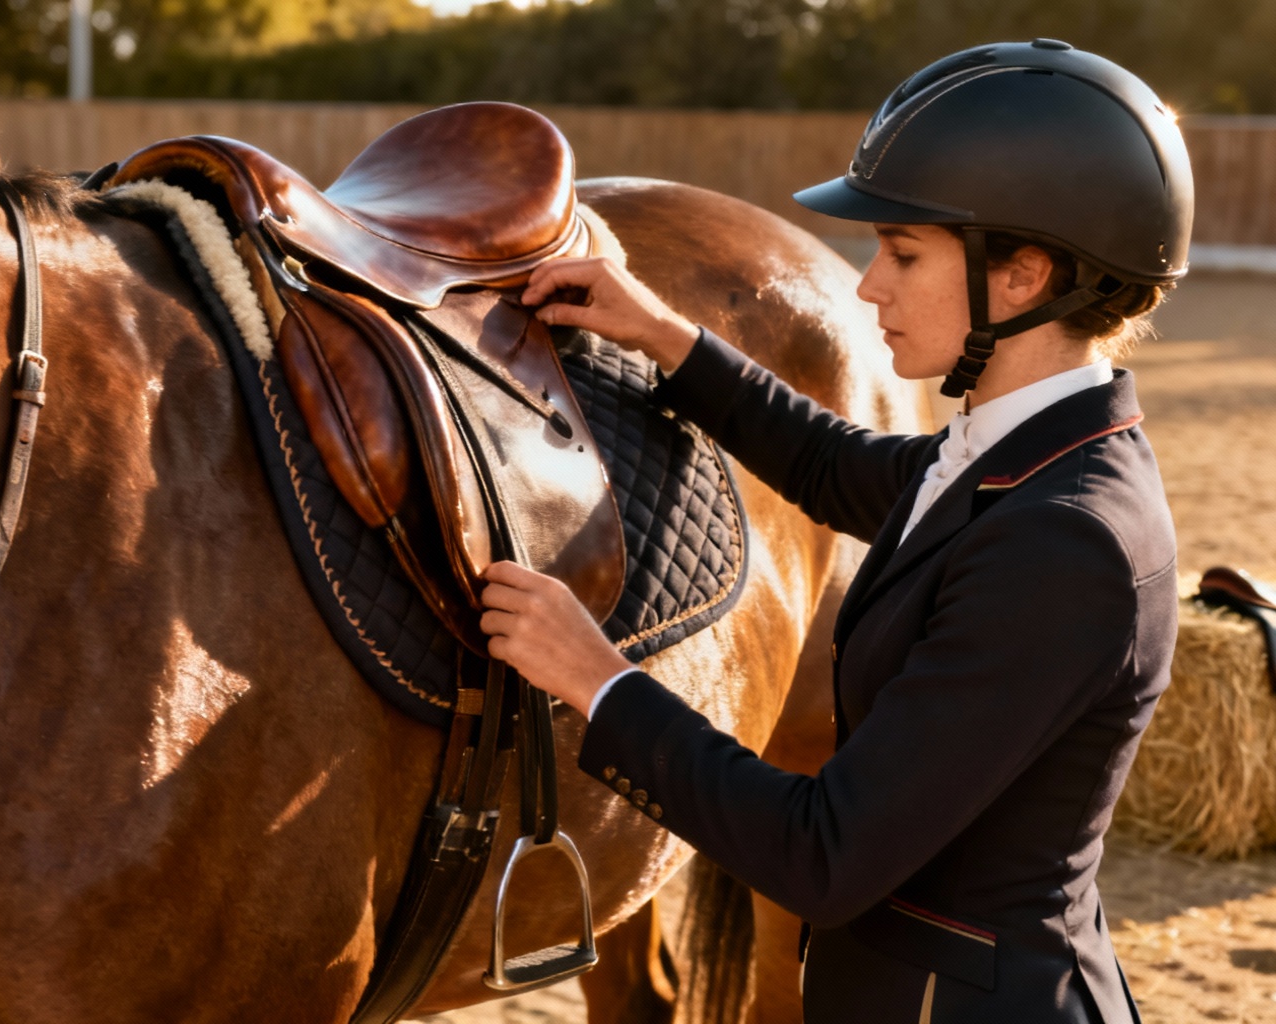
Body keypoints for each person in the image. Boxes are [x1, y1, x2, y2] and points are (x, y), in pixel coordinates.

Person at [478, 40, 1192, 1023]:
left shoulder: (1062, 541)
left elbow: (821, 854)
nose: (866, 286)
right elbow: (830, 466)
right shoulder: (1021, 453)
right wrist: (660, 333)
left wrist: (595, 681)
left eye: (902, 254)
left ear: (1021, 275)